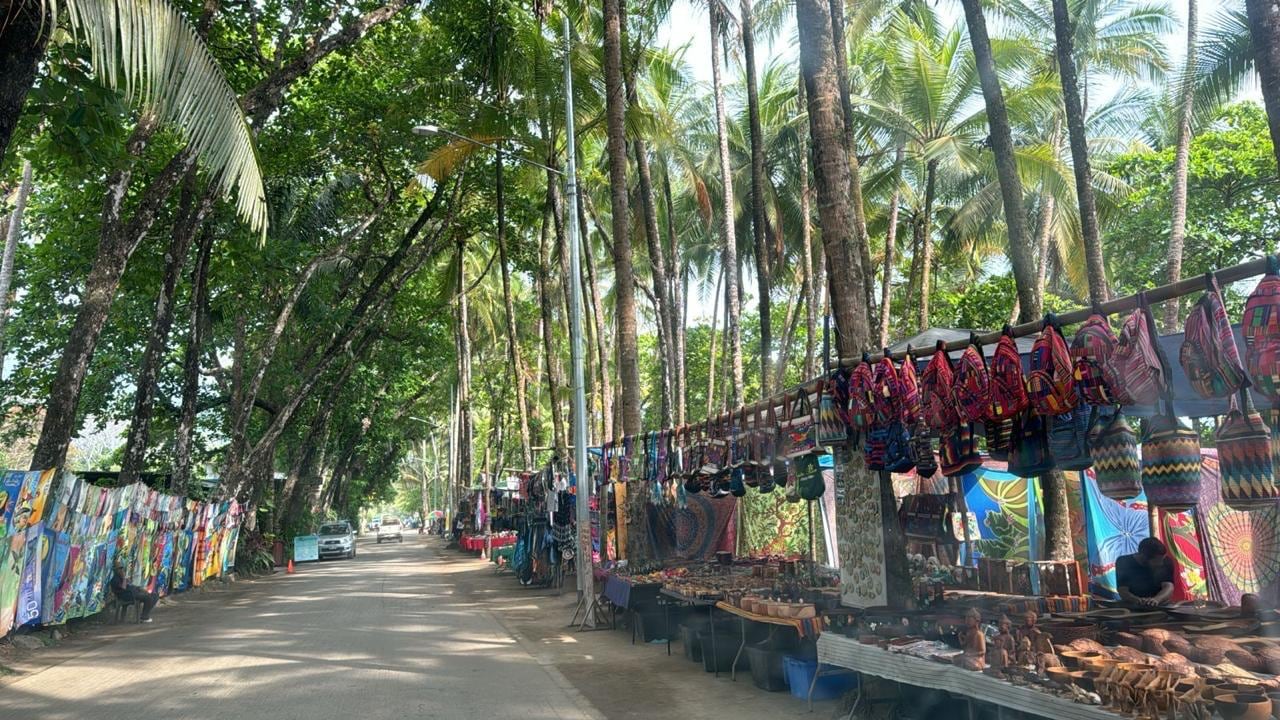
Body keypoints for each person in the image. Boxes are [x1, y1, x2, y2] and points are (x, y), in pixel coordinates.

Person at [1115, 537, 1175, 607]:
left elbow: (1168, 586)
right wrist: (1137, 600)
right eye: (1157, 561)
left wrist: (1156, 599)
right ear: (1144, 558)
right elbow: (1123, 590)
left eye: (1162, 559)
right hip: (1133, 605)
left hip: (1160, 604)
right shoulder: (1123, 562)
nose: (1161, 563)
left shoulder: (1166, 561)